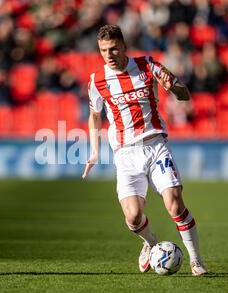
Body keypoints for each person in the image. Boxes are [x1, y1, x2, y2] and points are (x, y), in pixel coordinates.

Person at [82, 25, 208, 276]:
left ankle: (196, 261)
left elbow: (185, 96)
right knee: (133, 217)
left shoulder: (148, 66)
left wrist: (172, 87)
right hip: (125, 154)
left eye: (114, 48)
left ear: (124, 46)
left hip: (155, 145)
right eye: (104, 50)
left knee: (174, 204)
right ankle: (150, 244)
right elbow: (95, 115)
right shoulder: (97, 81)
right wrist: (94, 151)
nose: (109, 54)